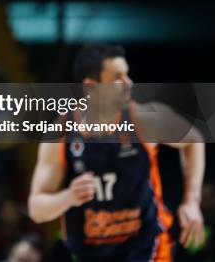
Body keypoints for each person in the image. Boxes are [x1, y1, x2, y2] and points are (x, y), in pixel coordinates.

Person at [28, 44, 205, 262]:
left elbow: (193, 139)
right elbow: (36, 208)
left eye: (127, 74)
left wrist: (191, 201)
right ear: (92, 87)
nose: (129, 83)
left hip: (147, 245)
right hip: (90, 251)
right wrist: (68, 197)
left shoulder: (143, 119)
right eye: (118, 78)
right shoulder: (61, 133)